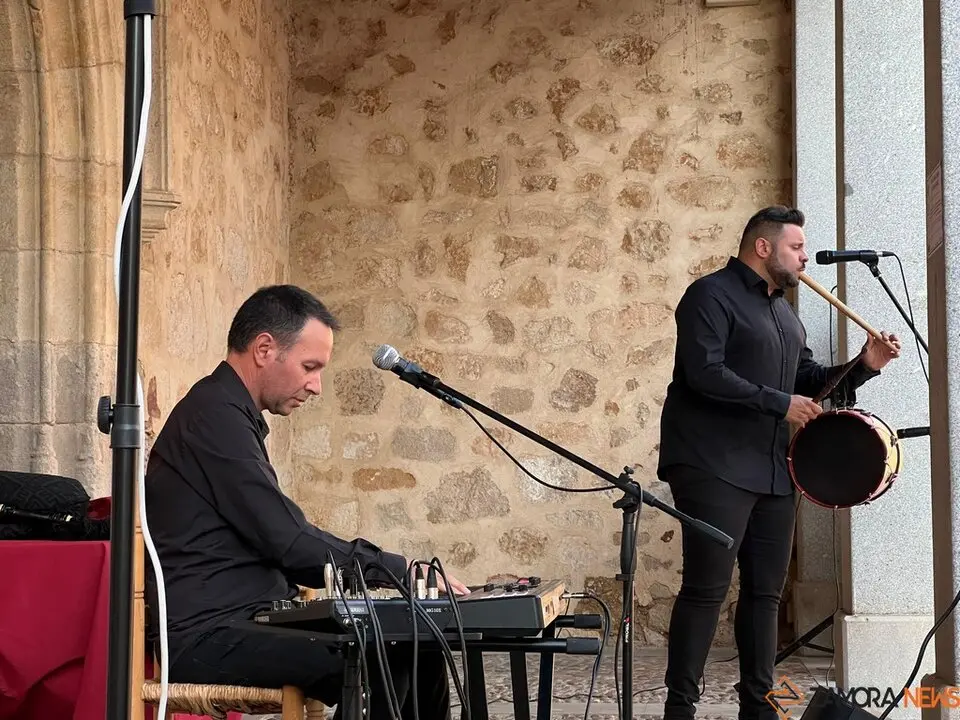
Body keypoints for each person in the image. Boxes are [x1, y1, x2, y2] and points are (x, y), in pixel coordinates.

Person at [144, 284, 468, 720]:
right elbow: (289, 541)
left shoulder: (227, 412)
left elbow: (280, 537)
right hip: (207, 635)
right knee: (381, 659)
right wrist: (396, 571)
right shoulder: (213, 417)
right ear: (264, 349)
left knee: (417, 642)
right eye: (309, 367)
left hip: (248, 619)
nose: (316, 386)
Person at [656, 206, 901, 720]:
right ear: (763, 247)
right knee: (706, 588)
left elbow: (808, 381)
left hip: (772, 468)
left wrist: (864, 366)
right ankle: (680, 709)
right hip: (711, 462)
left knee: (765, 594)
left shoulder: (785, 315)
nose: (805, 257)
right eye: (797, 247)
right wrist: (778, 402)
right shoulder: (709, 295)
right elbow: (704, 373)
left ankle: (759, 708)